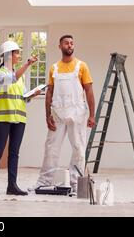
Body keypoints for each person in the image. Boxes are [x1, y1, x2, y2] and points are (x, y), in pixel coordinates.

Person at [33, 35, 95, 194]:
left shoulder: (81, 66)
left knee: (79, 148)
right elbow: (49, 92)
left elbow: (89, 91)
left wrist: (92, 115)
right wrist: (47, 115)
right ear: (60, 46)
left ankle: (76, 183)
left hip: (77, 112)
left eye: (72, 43)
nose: (70, 45)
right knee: (51, 148)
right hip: (58, 113)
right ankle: (44, 181)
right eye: (66, 43)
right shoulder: (54, 68)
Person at [0, 40, 41, 198]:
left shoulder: (20, 77)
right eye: (16, 52)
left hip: (19, 119)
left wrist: (33, 94)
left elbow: (23, 97)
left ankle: (12, 186)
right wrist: (27, 65)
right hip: (3, 118)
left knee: (14, 153)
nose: (18, 55)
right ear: (8, 55)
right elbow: (11, 79)